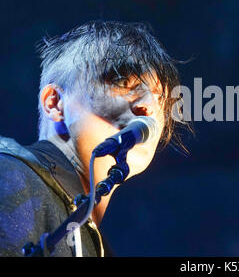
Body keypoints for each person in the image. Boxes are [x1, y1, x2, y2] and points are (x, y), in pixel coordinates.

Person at [0, 21, 184, 256]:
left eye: (160, 99)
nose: (148, 107)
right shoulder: (8, 174)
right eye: (125, 83)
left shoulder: (93, 241)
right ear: (55, 103)